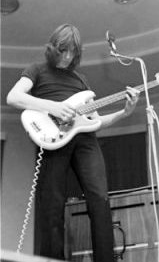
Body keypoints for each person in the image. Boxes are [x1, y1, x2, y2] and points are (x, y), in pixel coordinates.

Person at [7, 24, 139, 262]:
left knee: (100, 199)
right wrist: (54, 107)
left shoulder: (81, 79)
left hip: (85, 141)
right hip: (52, 139)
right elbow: (13, 97)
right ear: (53, 48)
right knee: (52, 206)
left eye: (72, 52)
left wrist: (123, 113)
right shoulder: (37, 70)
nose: (67, 56)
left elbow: (96, 122)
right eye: (63, 50)